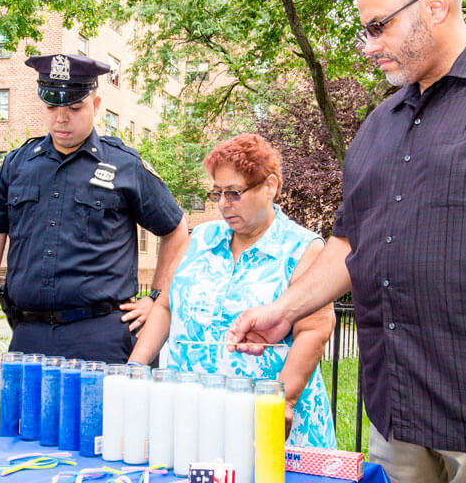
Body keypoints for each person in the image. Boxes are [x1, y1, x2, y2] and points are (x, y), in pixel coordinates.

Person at [227, 0, 466, 483]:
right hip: (398, 402)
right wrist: (284, 309)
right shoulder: (377, 128)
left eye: (377, 28)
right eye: (362, 31)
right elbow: (350, 246)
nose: (366, 46)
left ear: (435, 4)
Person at [0, 54, 187, 383]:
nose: (61, 119)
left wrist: (157, 299)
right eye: (52, 107)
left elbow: (176, 231)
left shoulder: (124, 166)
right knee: (25, 434)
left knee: (101, 435)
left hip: (101, 340)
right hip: (29, 338)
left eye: (74, 108)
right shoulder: (17, 165)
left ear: (96, 105)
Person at [130, 133, 336, 446]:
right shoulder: (199, 239)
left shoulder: (301, 248)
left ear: (269, 186)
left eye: (234, 193)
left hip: (267, 425)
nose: (224, 204)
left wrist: (285, 401)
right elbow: (166, 307)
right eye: (217, 193)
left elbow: (316, 330)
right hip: (195, 419)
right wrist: (134, 368)